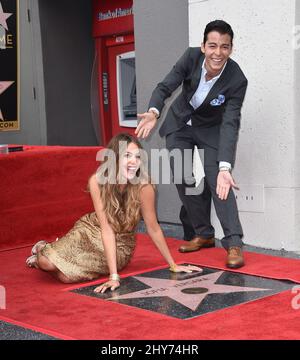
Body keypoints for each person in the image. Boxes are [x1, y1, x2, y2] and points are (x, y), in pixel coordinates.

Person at [25, 133, 201, 293]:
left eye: (138, 157)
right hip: (91, 231)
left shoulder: (144, 186)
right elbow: (106, 228)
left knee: (65, 277)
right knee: (45, 262)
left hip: (121, 245)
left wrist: (173, 264)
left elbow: (153, 228)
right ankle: (43, 247)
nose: (134, 161)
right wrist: (114, 276)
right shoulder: (97, 181)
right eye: (127, 156)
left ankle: (51, 252)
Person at [135, 20, 248, 269]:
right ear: (203, 46)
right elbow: (166, 86)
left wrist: (225, 167)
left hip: (211, 131)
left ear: (231, 48)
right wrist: (154, 111)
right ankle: (204, 233)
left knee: (218, 180)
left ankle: (234, 242)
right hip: (180, 124)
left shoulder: (237, 79)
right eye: (213, 46)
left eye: (224, 47)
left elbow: (230, 122)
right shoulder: (190, 57)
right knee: (182, 176)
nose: (218, 53)